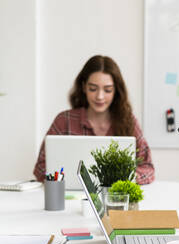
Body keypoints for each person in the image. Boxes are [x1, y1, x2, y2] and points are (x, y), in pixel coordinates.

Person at [33, 55, 155, 185]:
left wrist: (130, 177)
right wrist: (59, 180)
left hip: (116, 200)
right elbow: (41, 167)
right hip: (69, 198)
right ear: (84, 87)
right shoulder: (64, 121)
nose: (100, 96)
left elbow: (148, 167)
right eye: (93, 88)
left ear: (116, 91)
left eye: (107, 90)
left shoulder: (128, 121)